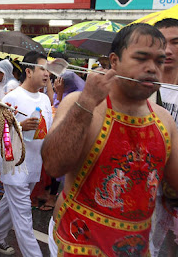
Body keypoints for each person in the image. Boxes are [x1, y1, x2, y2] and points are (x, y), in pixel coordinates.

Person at [42, 23, 178, 256]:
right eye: (141, 58)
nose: (152, 68)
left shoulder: (164, 120)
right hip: (77, 244)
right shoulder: (81, 102)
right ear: (114, 61)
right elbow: (54, 165)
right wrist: (86, 103)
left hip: (137, 247)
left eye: (159, 61)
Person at [0, 51, 53, 257]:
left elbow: (47, 131)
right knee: (24, 216)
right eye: (42, 69)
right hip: (14, 166)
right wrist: (20, 126)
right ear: (29, 71)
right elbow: (0, 134)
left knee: (9, 205)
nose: (47, 74)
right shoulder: (12, 97)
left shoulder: (44, 99)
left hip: (35, 165)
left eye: (48, 70)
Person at [150, 18, 178, 257]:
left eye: (176, 42)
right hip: (143, 183)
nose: (168, 50)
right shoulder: (139, 88)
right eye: (162, 42)